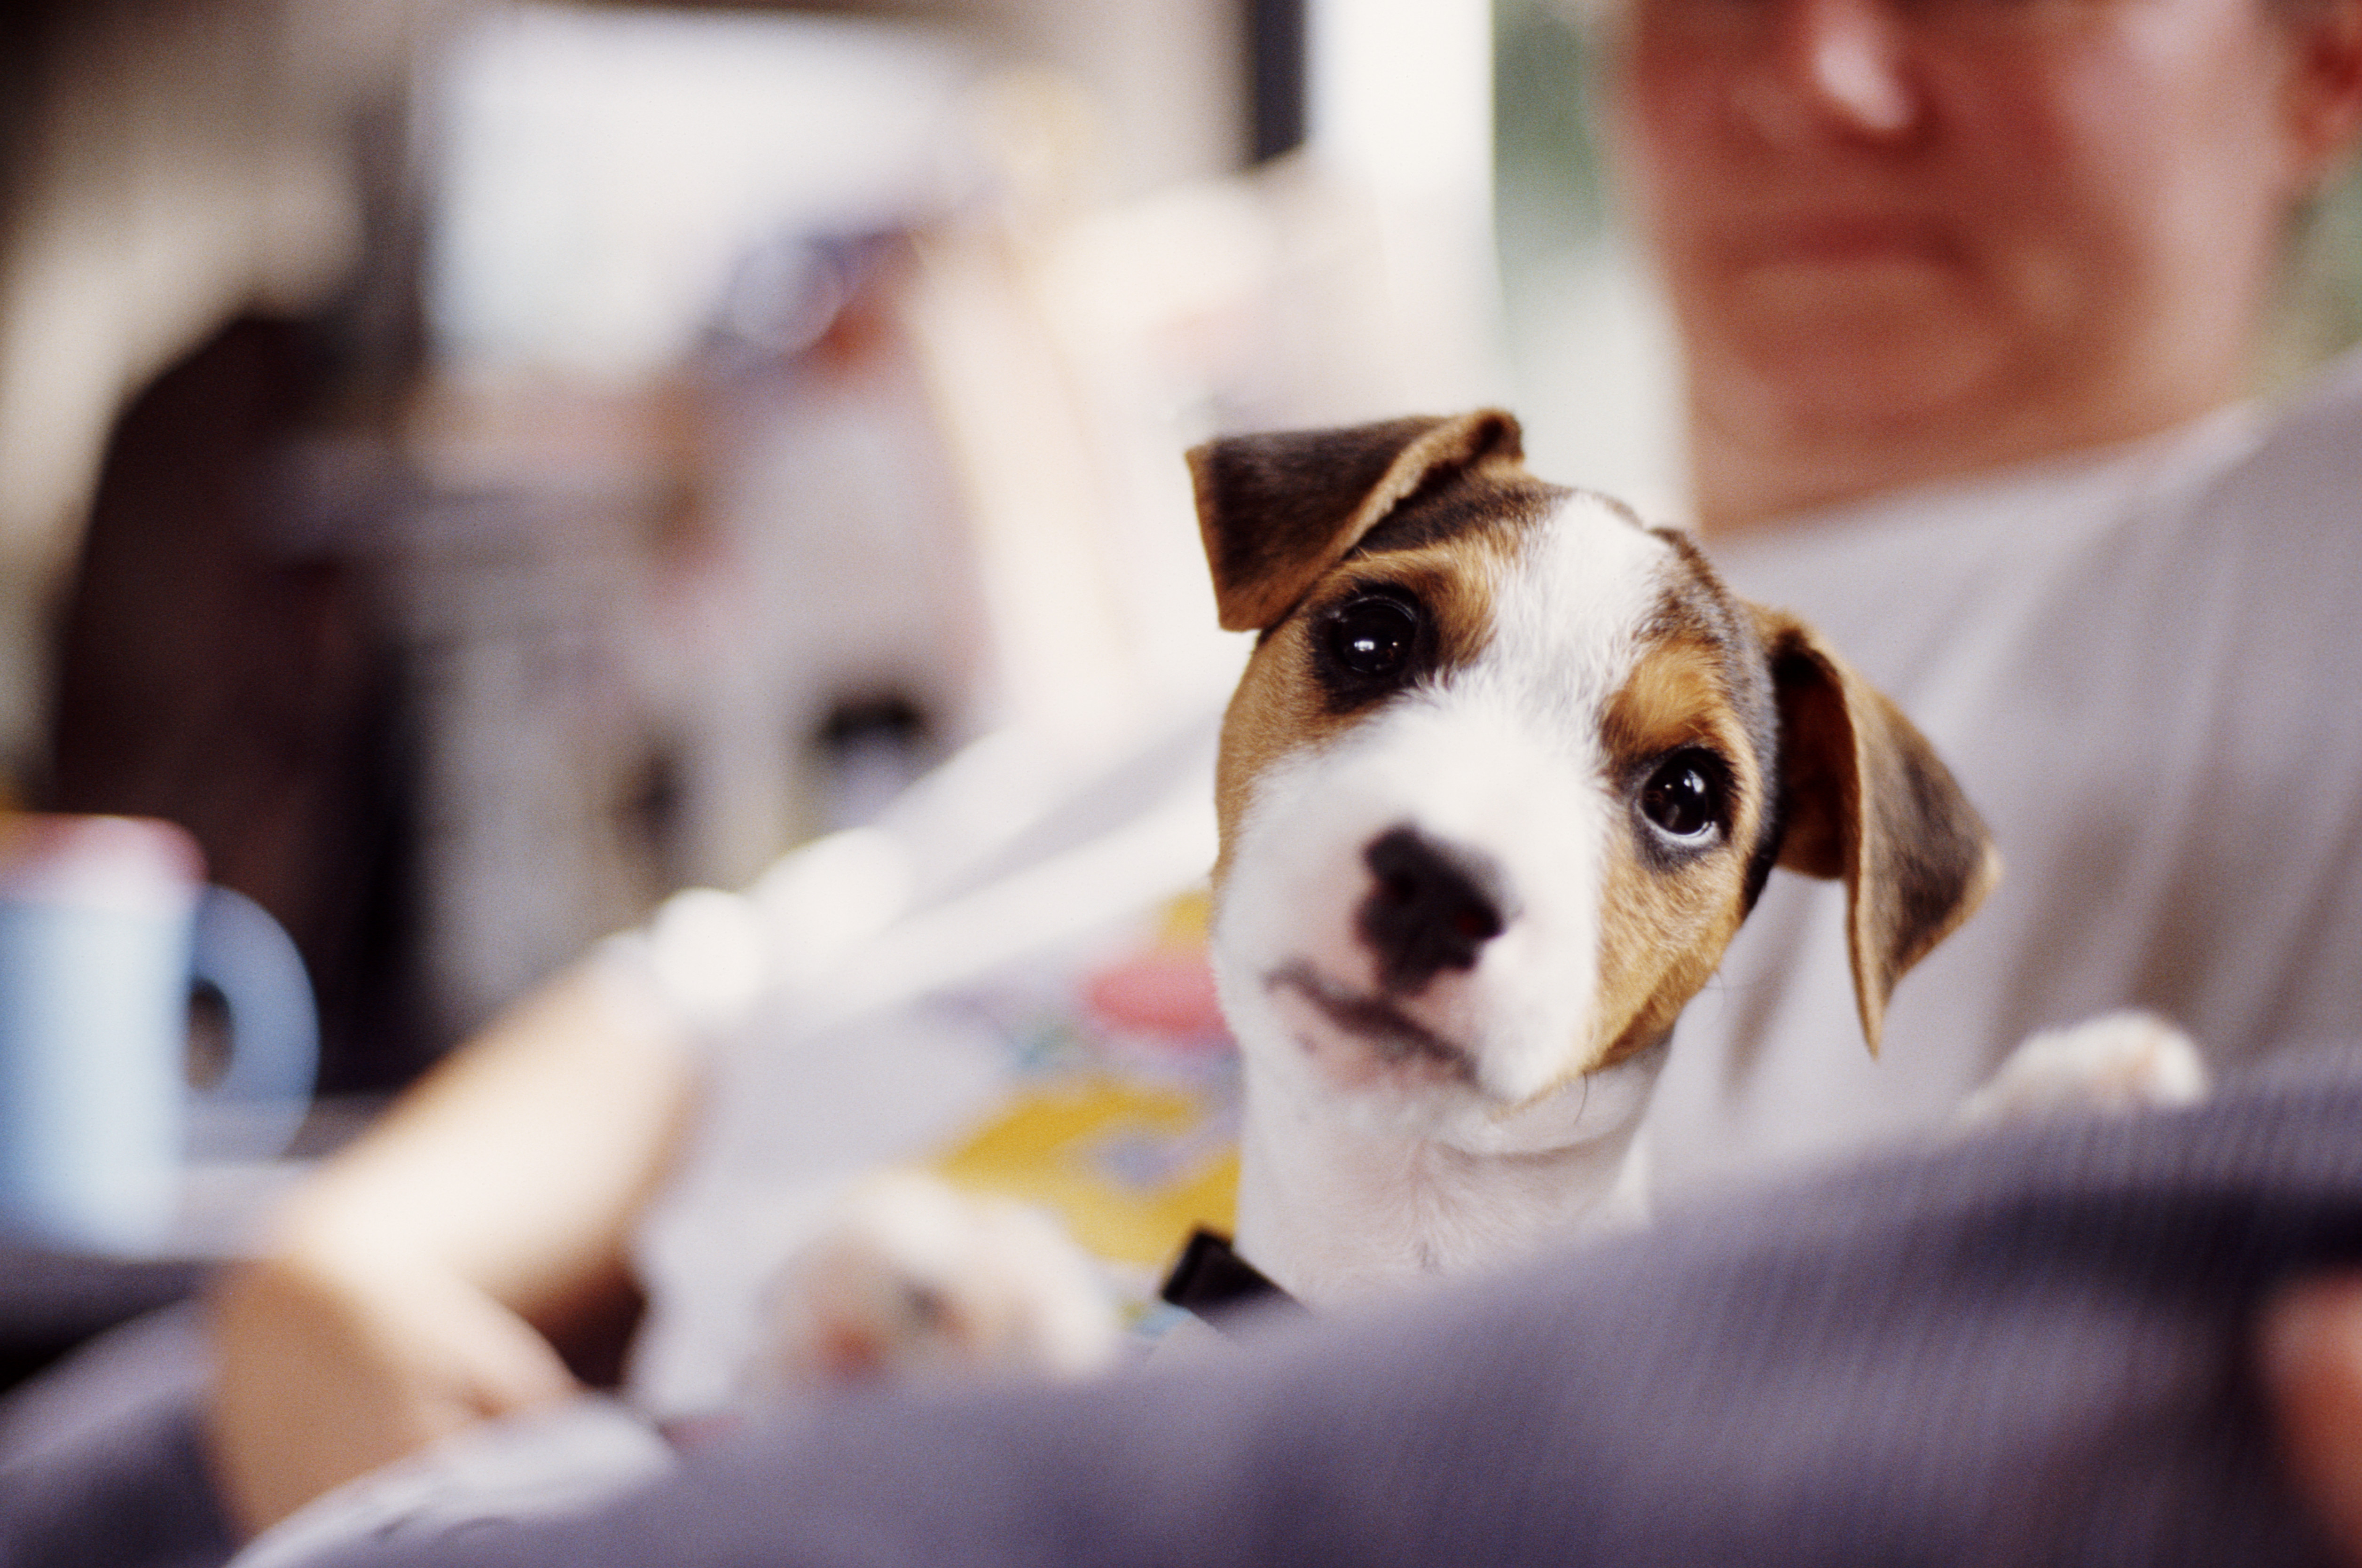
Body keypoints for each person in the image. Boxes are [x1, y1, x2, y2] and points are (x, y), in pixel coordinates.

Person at [13, 0, 2362, 1558]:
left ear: (2323, 60)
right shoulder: (1271, 662)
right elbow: (692, 1009)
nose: (1825, 67)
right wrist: (333, 1295)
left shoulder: (2248, 596)